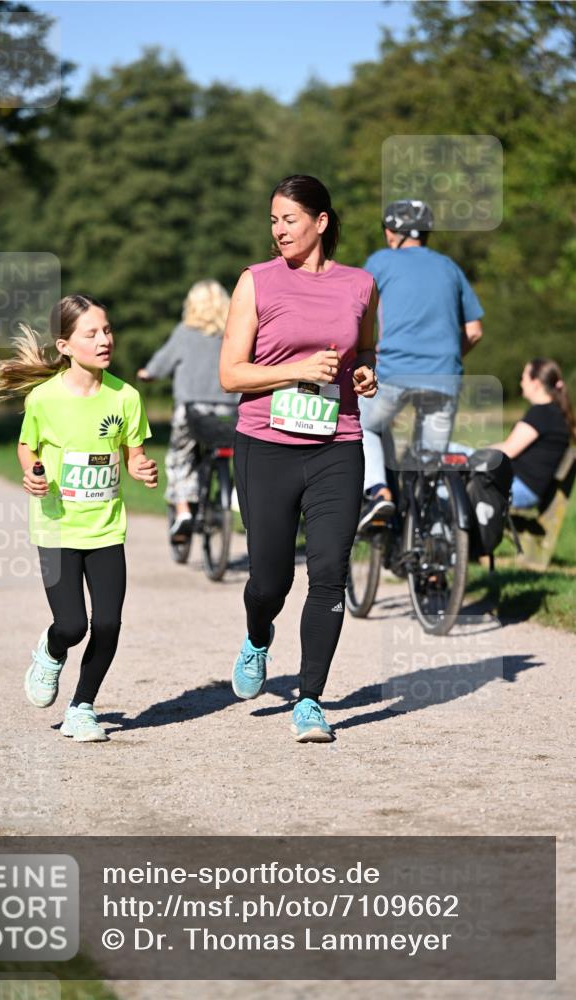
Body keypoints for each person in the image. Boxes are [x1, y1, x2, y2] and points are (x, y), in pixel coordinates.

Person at [220, 174, 379, 744]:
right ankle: (257, 637)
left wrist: (364, 372)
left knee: (330, 574)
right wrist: (295, 370)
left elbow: (365, 349)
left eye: (289, 219)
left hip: (338, 442)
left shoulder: (361, 284)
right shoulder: (256, 282)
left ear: (321, 222)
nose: (278, 229)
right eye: (273, 220)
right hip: (265, 444)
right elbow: (231, 372)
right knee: (270, 579)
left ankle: (310, 698)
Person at [0, 294, 158, 742]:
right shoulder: (44, 399)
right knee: (72, 625)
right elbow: (28, 446)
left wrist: (141, 467)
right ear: (65, 346)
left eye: (107, 330)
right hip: (57, 528)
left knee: (107, 624)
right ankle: (50, 651)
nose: (105, 340)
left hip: (105, 528)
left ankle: (82, 706)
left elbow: (134, 454)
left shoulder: (126, 396)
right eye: (92, 334)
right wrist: (31, 473)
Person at [358, 200, 484, 529]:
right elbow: (474, 331)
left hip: (393, 374)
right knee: (429, 466)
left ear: (391, 233)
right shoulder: (449, 267)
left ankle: (379, 492)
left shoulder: (381, 262)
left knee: (364, 423)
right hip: (444, 377)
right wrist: (447, 359)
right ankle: (436, 544)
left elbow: (357, 315)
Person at [138, 280, 237, 540]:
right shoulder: (233, 333)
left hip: (192, 410)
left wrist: (147, 374)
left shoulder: (185, 332)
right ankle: (227, 499)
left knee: (180, 457)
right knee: (227, 451)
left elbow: (159, 365)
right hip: (231, 410)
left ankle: (183, 512)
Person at [490, 358, 574, 508]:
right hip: (525, 488)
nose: (521, 382)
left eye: (524, 378)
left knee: (450, 472)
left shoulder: (542, 413)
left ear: (535, 383)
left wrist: (473, 454)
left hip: (518, 488)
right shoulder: (556, 413)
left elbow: (508, 450)